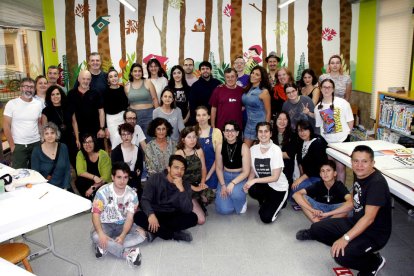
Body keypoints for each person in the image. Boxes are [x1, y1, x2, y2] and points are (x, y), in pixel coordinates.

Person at [296, 145, 392, 276]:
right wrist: (328, 214)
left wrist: (346, 238)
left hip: (374, 233)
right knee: (317, 227)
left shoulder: (376, 183)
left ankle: (374, 262)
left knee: (341, 256)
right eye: (356, 161)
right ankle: (352, 245)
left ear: (373, 163)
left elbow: (369, 218)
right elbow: (352, 202)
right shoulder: (360, 174)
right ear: (351, 162)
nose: (359, 165)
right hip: (355, 222)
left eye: (364, 161)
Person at [133, 155, 198, 242]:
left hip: (172, 214)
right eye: (176, 167)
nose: (179, 171)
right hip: (155, 212)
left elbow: (187, 209)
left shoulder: (185, 185)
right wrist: (151, 215)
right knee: (138, 216)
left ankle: (155, 232)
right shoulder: (155, 178)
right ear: (168, 168)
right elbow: (145, 200)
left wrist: (181, 189)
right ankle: (173, 235)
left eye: (182, 169)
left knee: (193, 218)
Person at [91, 162, 144, 267]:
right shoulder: (102, 192)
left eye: (125, 177)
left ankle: (105, 245)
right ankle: (127, 253)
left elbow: (129, 218)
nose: (122, 181)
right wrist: (101, 233)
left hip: (123, 224)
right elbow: (95, 215)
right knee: (96, 236)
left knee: (142, 235)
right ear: (112, 177)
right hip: (105, 224)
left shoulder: (132, 194)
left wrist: (123, 235)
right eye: (119, 177)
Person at [244, 122, 289, 223]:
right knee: (252, 189)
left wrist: (254, 180)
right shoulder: (253, 149)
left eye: (266, 131)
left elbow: (275, 177)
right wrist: (249, 182)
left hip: (279, 187)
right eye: (260, 131)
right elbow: (252, 170)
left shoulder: (276, 150)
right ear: (257, 134)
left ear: (271, 134)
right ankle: (266, 201)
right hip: (266, 185)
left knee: (266, 218)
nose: (263, 134)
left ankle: (279, 202)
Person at [315, 79, 354, 184]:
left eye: (329, 87)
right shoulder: (318, 107)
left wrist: (347, 135)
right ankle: (331, 190)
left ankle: (341, 192)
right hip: (328, 142)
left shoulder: (343, 103)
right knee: (330, 169)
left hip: (342, 141)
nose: (326, 89)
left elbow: (350, 120)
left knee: (340, 168)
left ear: (333, 89)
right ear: (320, 89)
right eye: (324, 87)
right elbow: (319, 126)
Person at [3, 77, 42, 169]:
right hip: (19, 145)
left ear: (34, 89)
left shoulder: (38, 104)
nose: (29, 89)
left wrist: (41, 140)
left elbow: (38, 123)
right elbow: (6, 126)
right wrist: (12, 145)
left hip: (36, 143)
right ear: (21, 88)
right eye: (26, 86)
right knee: (19, 173)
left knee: (37, 171)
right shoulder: (12, 104)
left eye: (31, 87)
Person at [215, 121, 250, 215]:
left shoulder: (244, 147)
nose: (229, 133)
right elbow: (218, 168)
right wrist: (223, 185)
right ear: (223, 132)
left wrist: (232, 183)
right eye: (227, 130)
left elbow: (246, 172)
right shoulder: (219, 147)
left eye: (232, 130)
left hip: (239, 177)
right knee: (224, 210)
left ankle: (241, 198)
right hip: (225, 176)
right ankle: (231, 196)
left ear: (237, 133)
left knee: (235, 193)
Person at [175, 127, 208, 225]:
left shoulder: (199, 151)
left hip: (198, 183)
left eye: (194, 137)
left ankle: (197, 202)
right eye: (189, 137)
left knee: (209, 196)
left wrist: (202, 182)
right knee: (201, 220)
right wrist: (194, 188)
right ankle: (189, 203)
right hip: (185, 187)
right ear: (183, 140)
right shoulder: (179, 154)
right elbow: (178, 177)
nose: (192, 140)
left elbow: (203, 168)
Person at [68, 70, 105, 150]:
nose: (85, 81)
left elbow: (101, 111)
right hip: (79, 131)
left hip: (95, 131)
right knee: (80, 155)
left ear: (91, 80)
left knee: (97, 153)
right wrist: (76, 133)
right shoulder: (71, 94)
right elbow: (72, 116)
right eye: (83, 79)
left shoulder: (96, 92)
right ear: (78, 79)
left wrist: (102, 128)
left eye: (88, 79)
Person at [42, 85, 77, 166]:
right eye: (52, 94)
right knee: (60, 165)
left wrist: (77, 139)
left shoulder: (69, 107)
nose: (55, 96)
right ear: (49, 97)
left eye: (57, 94)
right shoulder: (46, 111)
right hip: (56, 142)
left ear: (61, 95)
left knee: (75, 162)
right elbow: (45, 129)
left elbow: (74, 122)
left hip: (70, 140)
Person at [31, 122, 71, 189]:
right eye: (46, 133)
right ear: (43, 136)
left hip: (63, 187)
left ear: (56, 134)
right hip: (45, 188)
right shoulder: (37, 151)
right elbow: (35, 174)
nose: (50, 136)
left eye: (52, 133)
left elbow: (67, 170)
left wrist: (65, 187)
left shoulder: (63, 147)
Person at [292, 120, 328, 193]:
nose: (302, 133)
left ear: (310, 130)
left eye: (305, 129)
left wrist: (301, 179)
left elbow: (317, 167)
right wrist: (300, 177)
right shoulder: (301, 142)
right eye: (299, 130)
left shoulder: (317, 143)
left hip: (318, 177)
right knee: (293, 190)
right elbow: (300, 161)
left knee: (295, 191)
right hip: (307, 176)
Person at [125, 63, 159, 135]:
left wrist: (158, 117)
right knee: (135, 138)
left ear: (142, 72)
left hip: (149, 115)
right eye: (135, 71)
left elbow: (155, 99)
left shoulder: (148, 82)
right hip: (133, 117)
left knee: (149, 137)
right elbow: (128, 103)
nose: (137, 73)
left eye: (139, 71)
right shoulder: (127, 86)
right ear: (131, 73)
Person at [111, 123, 143, 198]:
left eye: (128, 134)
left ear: (132, 135)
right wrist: (134, 174)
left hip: (135, 183)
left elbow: (140, 169)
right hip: (120, 182)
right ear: (120, 136)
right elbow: (117, 170)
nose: (126, 137)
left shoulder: (138, 150)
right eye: (123, 134)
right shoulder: (116, 152)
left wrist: (134, 176)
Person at [242, 65, 271, 147]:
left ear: (261, 79)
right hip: (249, 125)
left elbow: (268, 112)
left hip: (260, 126)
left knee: (258, 152)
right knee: (245, 150)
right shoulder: (248, 89)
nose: (253, 75)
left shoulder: (264, 92)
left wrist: (266, 129)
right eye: (253, 73)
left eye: (257, 74)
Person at [75, 134, 112, 199]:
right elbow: (80, 171)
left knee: (99, 190)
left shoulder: (103, 155)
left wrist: (93, 188)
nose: (87, 145)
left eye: (90, 142)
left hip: (102, 182)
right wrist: (94, 177)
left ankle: (98, 200)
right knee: (79, 181)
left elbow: (106, 176)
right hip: (92, 180)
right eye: (84, 142)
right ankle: (90, 201)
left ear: (94, 142)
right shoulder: (80, 154)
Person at [195, 106, 222, 191]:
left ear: (209, 116)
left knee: (210, 196)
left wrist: (208, 175)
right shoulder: (192, 131)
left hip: (213, 170)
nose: (201, 117)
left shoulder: (216, 132)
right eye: (198, 115)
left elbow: (218, 158)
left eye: (204, 115)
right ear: (196, 117)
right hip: (196, 171)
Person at [188, 61, 221, 125]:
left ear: (210, 70)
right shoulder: (195, 86)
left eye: (207, 68)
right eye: (203, 69)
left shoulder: (217, 83)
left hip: (216, 118)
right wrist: (196, 120)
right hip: (201, 119)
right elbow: (192, 106)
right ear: (200, 71)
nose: (205, 70)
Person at [103, 67, 129, 149]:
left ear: (118, 77)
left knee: (125, 141)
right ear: (108, 79)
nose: (113, 78)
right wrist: (105, 127)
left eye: (115, 76)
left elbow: (126, 105)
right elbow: (103, 111)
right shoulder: (105, 92)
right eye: (111, 77)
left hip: (123, 118)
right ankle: (116, 161)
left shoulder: (122, 89)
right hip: (111, 120)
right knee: (115, 142)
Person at [271, 111, 297, 186]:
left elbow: (289, 155)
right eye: (279, 119)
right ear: (275, 120)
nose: (282, 122)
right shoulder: (270, 133)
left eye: (285, 119)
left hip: (286, 167)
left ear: (288, 121)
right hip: (271, 166)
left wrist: (270, 153)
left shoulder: (293, 135)